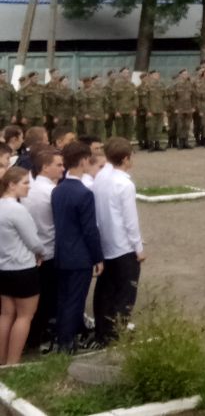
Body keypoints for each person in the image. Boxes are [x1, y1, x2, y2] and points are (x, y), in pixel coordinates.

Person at [50, 141, 104, 355]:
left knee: (63, 299)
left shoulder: (58, 190)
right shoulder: (84, 193)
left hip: (62, 252)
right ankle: (67, 343)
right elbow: (90, 230)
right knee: (75, 301)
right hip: (79, 255)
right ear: (83, 161)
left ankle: (61, 338)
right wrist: (98, 257)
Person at [92, 138, 145, 346]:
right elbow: (130, 221)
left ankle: (102, 332)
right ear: (125, 159)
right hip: (122, 246)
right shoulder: (124, 184)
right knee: (125, 294)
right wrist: (138, 248)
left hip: (105, 242)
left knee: (105, 291)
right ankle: (116, 335)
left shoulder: (102, 176)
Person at [0, 167, 43, 365]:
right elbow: (33, 241)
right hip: (23, 269)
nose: (28, 187)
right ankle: (13, 363)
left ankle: (2, 360)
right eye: (25, 183)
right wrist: (41, 251)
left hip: (3, 269)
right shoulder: (17, 210)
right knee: (25, 316)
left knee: (7, 314)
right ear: (11, 184)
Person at [24, 146, 63, 352]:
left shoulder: (30, 188)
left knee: (37, 301)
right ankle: (36, 340)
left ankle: (32, 338)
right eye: (58, 165)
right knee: (46, 301)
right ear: (45, 168)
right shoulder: (51, 192)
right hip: (47, 251)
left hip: (33, 252)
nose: (62, 169)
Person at [172, 69, 196, 150]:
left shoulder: (190, 84)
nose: (186, 75)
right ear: (180, 75)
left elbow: (193, 96)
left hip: (188, 108)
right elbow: (173, 98)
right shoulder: (176, 85)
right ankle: (180, 142)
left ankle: (186, 142)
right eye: (184, 74)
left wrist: (193, 107)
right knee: (180, 126)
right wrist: (175, 108)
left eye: (187, 74)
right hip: (180, 109)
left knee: (187, 125)